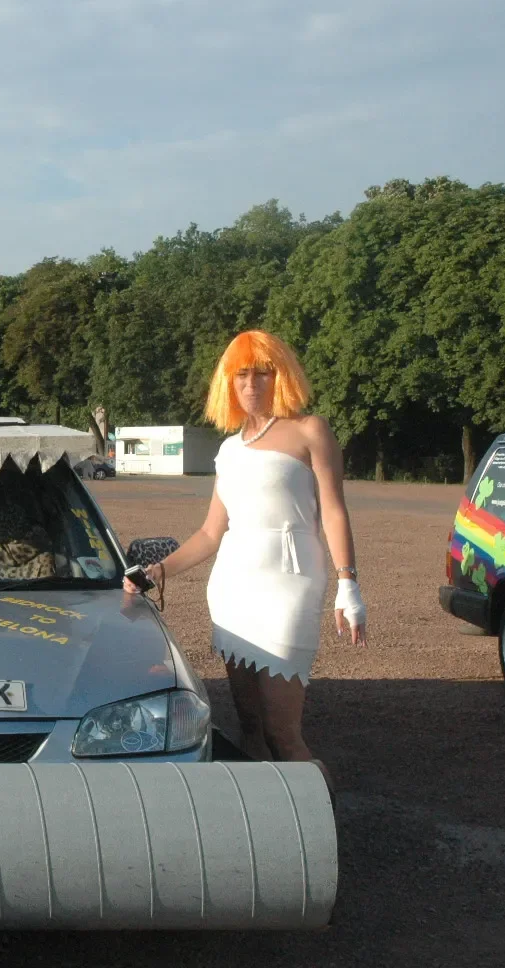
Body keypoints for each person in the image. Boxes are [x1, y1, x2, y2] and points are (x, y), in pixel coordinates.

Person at [124, 329, 366, 792]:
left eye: (262, 373)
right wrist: (157, 572)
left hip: (289, 585)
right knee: (250, 726)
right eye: (240, 375)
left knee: (283, 733)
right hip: (233, 588)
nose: (251, 384)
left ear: (282, 377)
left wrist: (348, 585)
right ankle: (262, 817)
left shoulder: (310, 430)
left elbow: (334, 509)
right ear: (227, 384)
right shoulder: (229, 450)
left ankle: (319, 824)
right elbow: (211, 532)